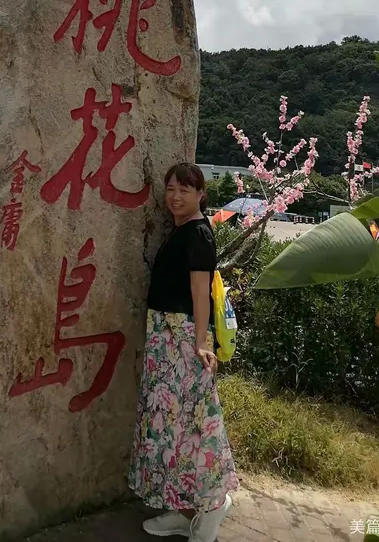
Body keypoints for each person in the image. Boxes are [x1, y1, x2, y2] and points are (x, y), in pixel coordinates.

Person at [128, 162, 239, 541]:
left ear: (201, 195)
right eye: (171, 188)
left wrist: (202, 343)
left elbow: (200, 292)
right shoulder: (182, 231)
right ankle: (179, 508)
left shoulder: (198, 235)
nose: (175, 196)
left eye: (185, 190)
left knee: (197, 424)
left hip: (183, 339)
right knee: (169, 425)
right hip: (164, 337)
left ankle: (211, 508)